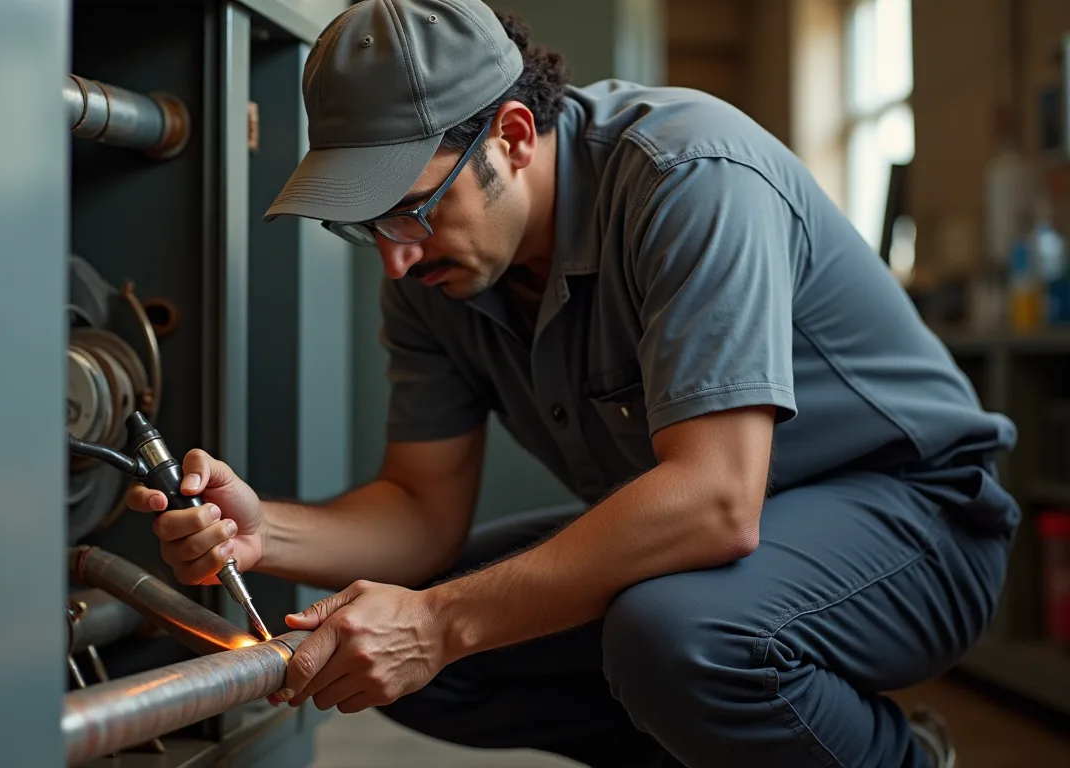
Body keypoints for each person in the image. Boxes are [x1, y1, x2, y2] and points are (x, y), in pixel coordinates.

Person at [126, 1, 1018, 765]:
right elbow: (422, 512)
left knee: (675, 637)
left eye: (412, 208)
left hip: (916, 525)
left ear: (512, 136)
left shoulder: (687, 176)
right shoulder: (435, 276)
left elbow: (714, 501)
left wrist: (437, 623)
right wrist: (266, 532)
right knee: (358, 648)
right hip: (725, 549)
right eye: (366, 226)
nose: (395, 259)